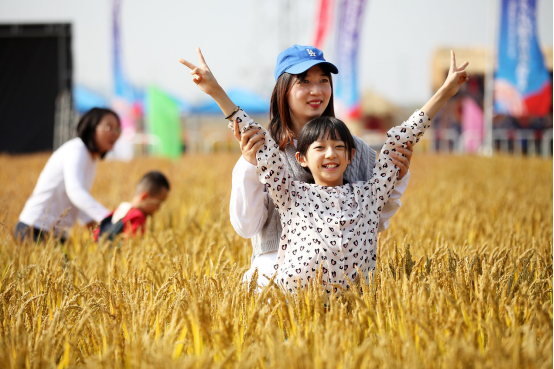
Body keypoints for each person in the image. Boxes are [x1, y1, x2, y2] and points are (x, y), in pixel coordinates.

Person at [183, 48, 469, 294]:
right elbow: (246, 226)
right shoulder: (265, 154)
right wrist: (217, 93)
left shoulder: (355, 149)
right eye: (304, 82)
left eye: (323, 81)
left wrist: (399, 174)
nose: (316, 90)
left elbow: (377, 214)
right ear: (283, 89)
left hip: (350, 289)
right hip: (278, 284)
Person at [15, 108, 121, 243]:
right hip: (35, 230)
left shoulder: (90, 159)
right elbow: (76, 192)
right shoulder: (77, 150)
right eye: (109, 127)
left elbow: (78, 203)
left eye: (118, 129)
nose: (115, 134)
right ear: (91, 127)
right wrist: (109, 219)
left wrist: (101, 233)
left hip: (57, 235)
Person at [94, 171, 170, 241]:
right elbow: (132, 245)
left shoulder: (122, 208)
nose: (159, 208)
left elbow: (97, 233)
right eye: (159, 203)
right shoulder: (138, 216)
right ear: (145, 197)